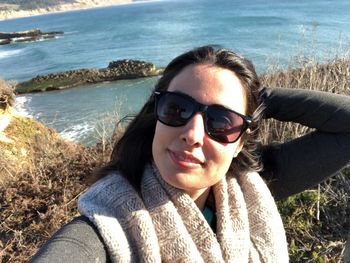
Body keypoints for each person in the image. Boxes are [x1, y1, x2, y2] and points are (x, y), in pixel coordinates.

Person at [30, 45, 350, 262]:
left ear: (240, 141)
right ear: (155, 114)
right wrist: (235, 107)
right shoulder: (107, 224)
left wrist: (255, 96)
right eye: (177, 108)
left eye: (222, 121)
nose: (193, 135)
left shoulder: (254, 188)